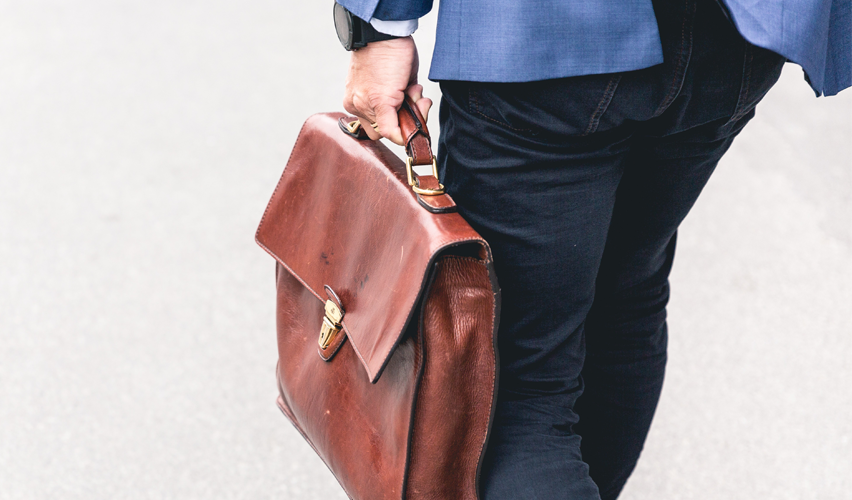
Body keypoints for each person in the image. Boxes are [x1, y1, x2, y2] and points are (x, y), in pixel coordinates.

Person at [331, 0, 849, 498]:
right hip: (733, 37)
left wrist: (379, 24)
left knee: (512, 381)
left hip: (545, 35)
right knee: (623, 298)